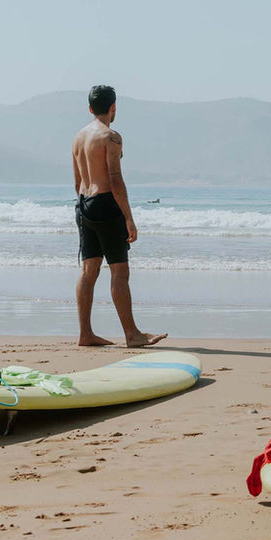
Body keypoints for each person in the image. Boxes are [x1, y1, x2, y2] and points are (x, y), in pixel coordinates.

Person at [71, 85, 166, 348]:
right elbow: (115, 179)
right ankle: (132, 334)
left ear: (90, 108)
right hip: (106, 204)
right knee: (119, 270)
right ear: (113, 107)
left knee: (89, 271)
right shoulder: (111, 137)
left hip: (83, 204)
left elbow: (77, 181)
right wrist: (129, 218)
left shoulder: (78, 138)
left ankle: (85, 334)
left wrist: (86, 209)